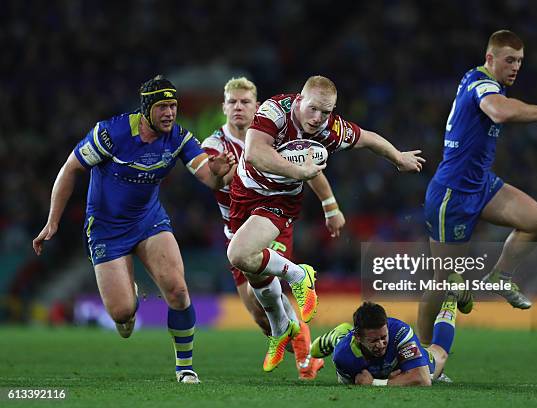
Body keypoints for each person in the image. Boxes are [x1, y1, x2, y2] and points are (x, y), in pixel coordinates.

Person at [32, 75, 234, 384]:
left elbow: (208, 176)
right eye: (163, 106)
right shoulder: (111, 134)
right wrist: (52, 220)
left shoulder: (178, 137)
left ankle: (185, 368)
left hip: (148, 220)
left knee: (178, 290)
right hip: (106, 229)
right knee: (123, 314)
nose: (170, 113)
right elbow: (70, 168)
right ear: (147, 108)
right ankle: (130, 300)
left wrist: (220, 174)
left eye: (174, 106)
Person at [226, 75, 425, 372]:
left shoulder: (331, 129)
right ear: (299, 100)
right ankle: (281, 328)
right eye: (314, 109)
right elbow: (255, 152)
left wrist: (397, 158)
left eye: (327, 111)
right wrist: (299, 171)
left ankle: (297, 275)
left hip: (278, 203)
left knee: (238, 254)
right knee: (251, 267)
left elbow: (368, 138)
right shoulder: (275, 112)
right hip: (243, 194)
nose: (319, 118)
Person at [417, 30, 537, 344]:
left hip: (481, 185)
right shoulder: (483, 84)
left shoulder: (484, 81)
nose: (516, 66)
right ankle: (419, 357)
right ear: (490, 58)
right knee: (443, 281)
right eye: (509, 60)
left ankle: (500, 277)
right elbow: (499, 111)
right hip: (452, 194)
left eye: (519, 60)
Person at [200, 77, 343, 379]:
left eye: (245, 102)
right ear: (223, 106)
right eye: (233, 102)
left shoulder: (275, 136)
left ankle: (306, 357)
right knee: (259, 314)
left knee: (266, 295)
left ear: (256, 106)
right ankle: (311, 350)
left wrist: (330, 205)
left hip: (270, 218)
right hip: (235, 227)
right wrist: (217, 175)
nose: (239, 107)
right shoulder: (214, 145)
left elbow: (308, 168)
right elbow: (211, 179)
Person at [311, 275, 462, 386]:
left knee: (439, 354)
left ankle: (453, 296)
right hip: (353, 346)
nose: (381, 344)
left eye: (384, 337)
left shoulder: (400, 332)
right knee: (326, 348)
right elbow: (349, 383)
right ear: (358, 337)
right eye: (374, 340)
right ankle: (337, 336)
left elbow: (422, 380)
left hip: (412, 363)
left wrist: (376, 382)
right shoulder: (343, 355)